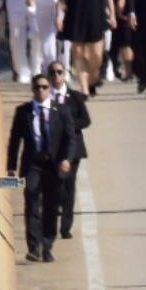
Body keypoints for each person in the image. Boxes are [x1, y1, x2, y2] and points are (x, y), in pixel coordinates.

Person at [7, 72, 75, 262]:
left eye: (45, 87)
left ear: (49, 89)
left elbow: (70, 138)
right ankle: (34, 247)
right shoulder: (23, 112)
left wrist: (67, 159)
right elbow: (15, 140)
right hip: (33, 164)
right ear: (32, 90)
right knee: (31, 202)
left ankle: (47, 245)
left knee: (51, 206)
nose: (41, 91)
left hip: (54, 164)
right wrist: (11, 166)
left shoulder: (61, 111)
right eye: (37, 87)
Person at [48, 63, 90, 239]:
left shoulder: (75, 97)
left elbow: (86, 120)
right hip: (51, 148)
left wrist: (69, 126)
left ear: (64, 74)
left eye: (59, 72)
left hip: (72, 148)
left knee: (69, 187)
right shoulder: (45, 95)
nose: (56, 76)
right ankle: (51, 221)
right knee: (53, 186)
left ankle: (66, 226)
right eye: (53, 73)